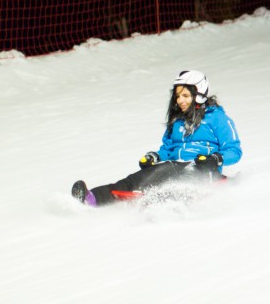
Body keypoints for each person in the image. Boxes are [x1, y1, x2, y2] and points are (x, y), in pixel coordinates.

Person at [71, 70, 243, 206]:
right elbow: (168, 148)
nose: (180, 100)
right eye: (178, 96)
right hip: (175, 165)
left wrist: (216, 158)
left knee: (181, 182)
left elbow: (234, 150)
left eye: (185, 96)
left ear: (199, 95)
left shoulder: (218, 118)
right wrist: (156, 157)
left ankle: (164, 206)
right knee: (139, 178)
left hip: (203, 168)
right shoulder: (177, 121)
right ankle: (92, 198)